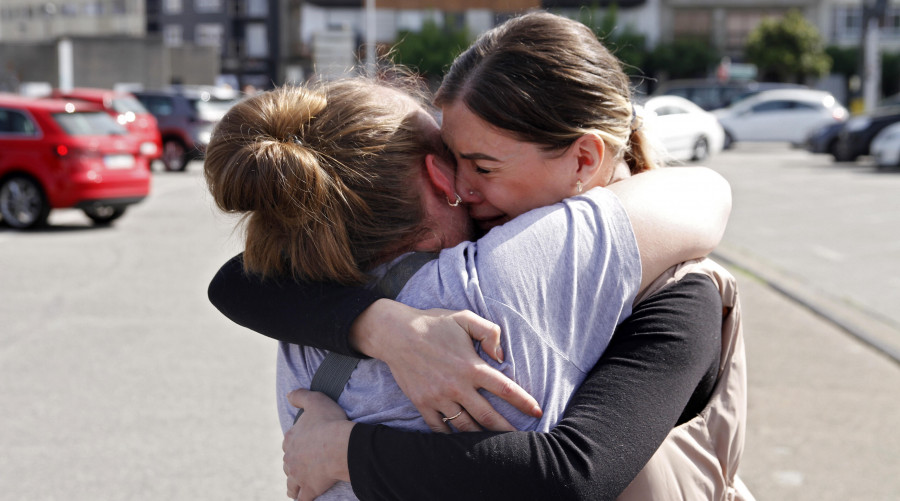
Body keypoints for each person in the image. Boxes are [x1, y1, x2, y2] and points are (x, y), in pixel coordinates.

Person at [208, 11, 749, 501]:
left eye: (483, 167)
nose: (462, 188)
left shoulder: (676, 289)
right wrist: (386, 327)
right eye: (451, 160)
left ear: (585, 157)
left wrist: (344, 450)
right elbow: (238, 281)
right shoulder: (470, 265)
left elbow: (577, 471)